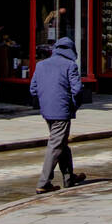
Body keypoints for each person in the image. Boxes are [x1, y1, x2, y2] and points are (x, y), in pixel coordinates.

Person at [30, 36, 88, 193]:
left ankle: (69, 178)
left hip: (47, 111)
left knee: (61, 143)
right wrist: (74, 105)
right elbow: (77, 90)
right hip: (62, 111)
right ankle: (44, 182)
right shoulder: (70, 65)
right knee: (55, 145)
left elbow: (33, 89)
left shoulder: (40, 65)